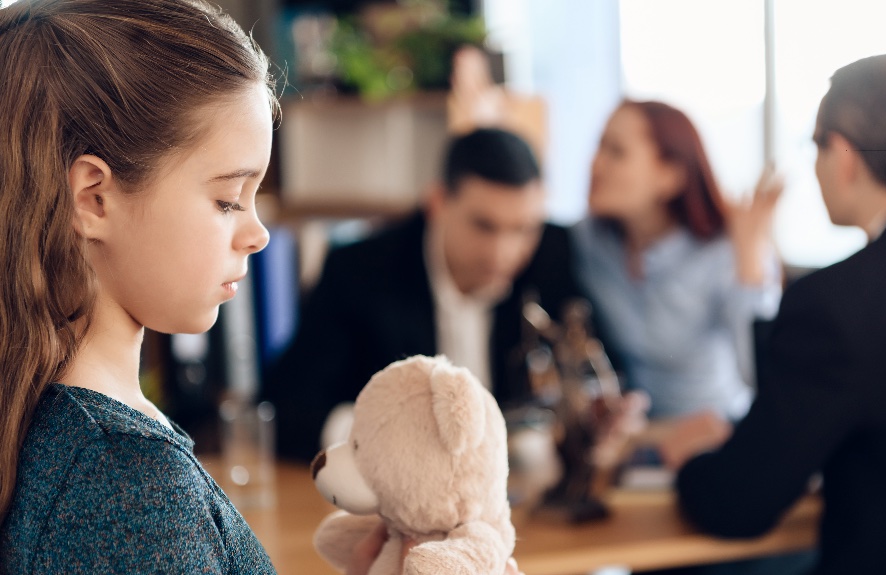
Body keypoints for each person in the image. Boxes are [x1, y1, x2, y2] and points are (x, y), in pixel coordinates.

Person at [671, 52, 886, 574]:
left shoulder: (835, 302)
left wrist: (688, 461)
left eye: (814, 145)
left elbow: (738, 505)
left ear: (843, 155)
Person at [0, 0, 278, 571]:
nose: (258, 235)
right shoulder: (131, 483)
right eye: (228, 200)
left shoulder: (66, 429)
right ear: (93, 200)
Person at [265, 127, 586, 462]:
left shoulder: (552, 254)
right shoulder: (359, 271)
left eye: (523, 229)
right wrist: (378, 434)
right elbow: (287, 407)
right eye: (484, 226)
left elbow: (593, 371)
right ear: (437, 202)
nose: (503, 253)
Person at [572, 100, 783, 423]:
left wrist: (749, 260)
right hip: (634, 434)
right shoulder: (589, 240)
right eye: (599, 146)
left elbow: (761, 374)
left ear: (669, 176)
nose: (596, 164)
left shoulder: (726, 252)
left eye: (616, 152)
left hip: (714, 430)